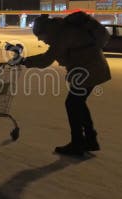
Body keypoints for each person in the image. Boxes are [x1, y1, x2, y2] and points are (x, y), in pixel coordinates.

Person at [18, 12, 111, 157]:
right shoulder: (61, 30)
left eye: (40, 36)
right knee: (77, 103)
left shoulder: (61, 35)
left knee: (72, 104)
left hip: (88, 71)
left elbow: (45, 60)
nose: (40, 40)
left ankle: (78, 143)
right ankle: (90, 140)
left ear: (46, 30)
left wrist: (23, 61)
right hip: (92, 69)